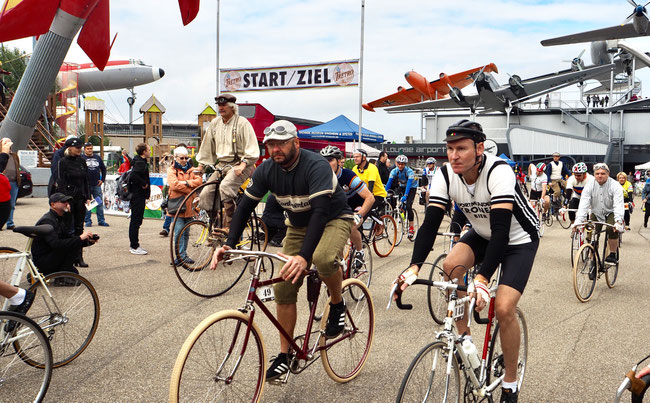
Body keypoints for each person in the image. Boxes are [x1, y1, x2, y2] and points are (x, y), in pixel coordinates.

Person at [394, 119, 539, 402]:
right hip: (483, 233)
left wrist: (483, 279)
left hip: (518, 239)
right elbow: (429, 224)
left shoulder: (499, 171)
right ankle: (466, 341)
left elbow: (501, 232)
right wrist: (413, 267)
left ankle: (510, 382)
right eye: (449, 148)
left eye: (461, 148)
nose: (453, 155)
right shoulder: (445, 174)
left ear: (479, 148)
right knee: (450, 266)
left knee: (505, 308)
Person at [210, 120, 354, 382]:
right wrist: (229, 243)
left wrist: (303, 257)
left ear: (296, 143)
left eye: (282, 143)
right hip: (298, 225)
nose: (276, 149)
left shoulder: (315, 166)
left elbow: (321, 212)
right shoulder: (267, 170)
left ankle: (337, 302)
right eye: (271, 144)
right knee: (284, 287)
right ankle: (285, 356)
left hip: (333, 218)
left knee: (322, 259)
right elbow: (244, 207)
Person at [195, 93, 259, 230]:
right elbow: (207, 147)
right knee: (205, 194)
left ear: (232, 107)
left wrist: (243, 164)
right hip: (222, 166)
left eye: (224, 105)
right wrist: (201, 166)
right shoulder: (215, 123)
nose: (221, 108)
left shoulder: (242, 123)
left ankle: (231, 226)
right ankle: (217, 224)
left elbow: (252, 147)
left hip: (241, 164)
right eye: (219, 105)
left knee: (226, 186)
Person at [321, 145, 374, 269]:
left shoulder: (348, 175)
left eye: (330, 160)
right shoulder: (322, 177)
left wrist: (360, 214)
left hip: (357, 205)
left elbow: (370, 197)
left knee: (351, 224)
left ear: (339, 161)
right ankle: (340, 263)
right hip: (340, 207)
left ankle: (360, 252)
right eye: (324, 160)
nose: (326, 164)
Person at [32, 193, 98, 277]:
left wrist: (88, 241)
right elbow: (56, 244)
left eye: (67, 201)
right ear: (53, 205)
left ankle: (56, 273)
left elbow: (68, 238)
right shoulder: (48, 221)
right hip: (43, 259)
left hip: (51, 256)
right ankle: (49, 273)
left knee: (74, 272)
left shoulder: (59, 218)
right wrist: (80, 238)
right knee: (70, 247)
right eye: (63, 202)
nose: (67, 204)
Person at [574, 163, 624, 265]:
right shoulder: (589, 186)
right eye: (597, 173)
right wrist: (578, 221)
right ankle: (592, 258)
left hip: (611, 212)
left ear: (608, 174)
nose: (600, 176)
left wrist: (618, 221)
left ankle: (612, 254)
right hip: (596, 212)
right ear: (594, 174)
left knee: (611, 229)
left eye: (603, 173)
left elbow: (618, 204)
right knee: (591, 231)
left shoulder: (615, 186)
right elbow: (584, 204)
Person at [56, 137, 91, 267]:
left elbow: (86, 180)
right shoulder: (63, 162)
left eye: (80, 148)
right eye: (77, 148)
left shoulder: (82, 161)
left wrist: (88, 196)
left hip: (80, 198)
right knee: (68, 228)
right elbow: (61, 182)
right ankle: (68, 257)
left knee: (79, 228)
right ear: (69, 148)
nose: (79, 150)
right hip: (69, 199)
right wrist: (64, 200)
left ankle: (79, 257)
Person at [167, 146, 202, 265]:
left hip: (189, 207)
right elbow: (174, 185)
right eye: (182, 158)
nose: (184, 160)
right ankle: (179, 256)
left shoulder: (191, 169)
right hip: (178, 206)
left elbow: (199, 182)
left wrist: (185, 183)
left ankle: (183, 255)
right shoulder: (171, 170)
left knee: (186, 232)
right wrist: (190, 189)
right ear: (175, 158)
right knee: (179, 232)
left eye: (186, 158)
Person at [385, 154, 418, 239]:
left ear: (405, 164)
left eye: (402, 164)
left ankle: (411, 227)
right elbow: (389, 183)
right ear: (396, 163)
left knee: (408, 206)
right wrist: (384, 193)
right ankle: (402, 213)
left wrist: (406, 196)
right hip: (402, 186)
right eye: (399, 163)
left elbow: (409, 185)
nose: (400, 165)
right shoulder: (394, 171)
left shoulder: (409, 171)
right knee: (396, 200)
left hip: (411, 188)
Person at [128, 143, 151, 255]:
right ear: (144, 151)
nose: (150, 151)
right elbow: (133, 175)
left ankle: (134, 244)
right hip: (137, 195)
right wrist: (144, 184)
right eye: (148, 149)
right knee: (136, 220)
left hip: (137, 195)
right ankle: (134, 246)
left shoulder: (138, 161)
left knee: (136, 220)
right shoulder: (140, 162)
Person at [82, 142, 109, 227]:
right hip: (86, 185)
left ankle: (101, 220)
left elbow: (103, 169)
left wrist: (102, 180)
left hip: (96, 185)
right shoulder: (81, 158)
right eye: (88, 149)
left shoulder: (97, 157)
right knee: (88, 203)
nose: (90, 150)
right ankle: (88, 221)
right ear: (84, 149)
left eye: (91, 148)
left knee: (99, 202)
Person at [1, 136, 20, 230]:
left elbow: (18, 166)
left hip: (13, 182)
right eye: (6, 143)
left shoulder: (14, 155)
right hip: (3, 183)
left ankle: (10, 222)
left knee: (11, 204)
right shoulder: (2, 156)